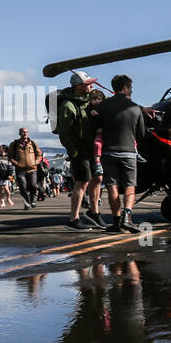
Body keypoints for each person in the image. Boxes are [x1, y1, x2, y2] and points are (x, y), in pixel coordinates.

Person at [92, 74, 150, 233]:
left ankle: (117, 221)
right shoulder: (135, 108)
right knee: (130, 186)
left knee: (112, 186)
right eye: (130, 87)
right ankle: (128, 217)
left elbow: (94, 121)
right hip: (129, 152)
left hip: (109, 152)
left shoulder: (104, 106)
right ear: (125, 87)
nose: (131, 90)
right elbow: (141, 134)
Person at [58, 72, 106, 231]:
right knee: (82, 182)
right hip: (79, 151)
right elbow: (63, 133)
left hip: (92, 149)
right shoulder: (68, 106)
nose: (91, 86)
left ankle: (94, 213)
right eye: (88, 84)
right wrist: (74, 152)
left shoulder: (88, 102)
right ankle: (73, 219)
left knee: (97, 179)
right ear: (78, 86)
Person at [8, 127, 44, 210]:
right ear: (19, 133)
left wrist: (36, 162)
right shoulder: (14, 144)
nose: (25, 133)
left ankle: (33, 201)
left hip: (32, 169)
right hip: (20, 170)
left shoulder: (33, 143)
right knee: (23, 187)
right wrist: (16, 163)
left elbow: (39, 154)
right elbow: (10, 156)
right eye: (23, 132)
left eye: (27, 132)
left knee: (33, 185)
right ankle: (27, 204)